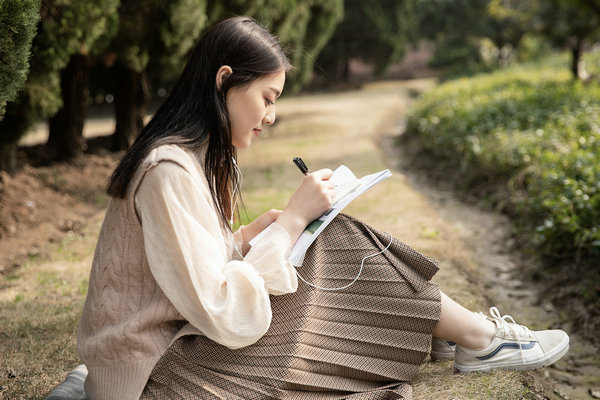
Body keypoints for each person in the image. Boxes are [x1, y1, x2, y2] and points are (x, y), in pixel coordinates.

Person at [76, 16, 569, 400]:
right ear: (225, 80)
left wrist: (248, 237)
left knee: (324, 233)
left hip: (173, 359)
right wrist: (290, 222)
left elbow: (184, 271)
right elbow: (223, 310)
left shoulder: (188, 160)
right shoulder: (168, 168)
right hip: (157, 382)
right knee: (328, 240)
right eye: (267, 98)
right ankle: (475, 338)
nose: (270, 117)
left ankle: (463, 334)